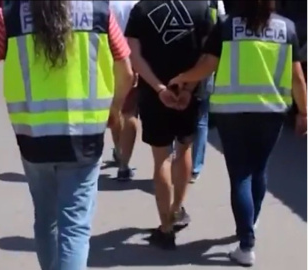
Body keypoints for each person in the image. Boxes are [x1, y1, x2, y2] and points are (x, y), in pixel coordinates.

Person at [0, 1, 133, 269]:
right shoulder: (98, 11)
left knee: (46, 219)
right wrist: (114, 109)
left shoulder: (10, 15)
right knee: (75, 227)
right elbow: (126, 71)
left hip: (34, 138)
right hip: (85, 138)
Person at [169, 0, 307, 266]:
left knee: (240, 175)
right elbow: (297, 77)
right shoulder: (287, 28)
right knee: (259, 170)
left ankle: (246, 243)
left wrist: (183, 78)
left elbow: (207, 64)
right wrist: (304, 112)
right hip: (271, 112)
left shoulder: (227, 25)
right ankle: (249, 224)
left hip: (232, 113)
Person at [125, 0, 214, 249]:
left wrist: (159, 88)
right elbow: (208, 55)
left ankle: (165, 228)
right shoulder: (201, 7)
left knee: (161, 159)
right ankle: (176, 210)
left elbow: (134, 54)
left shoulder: (142, 9)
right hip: (189, 94)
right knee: (184, 149)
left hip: (154, 96)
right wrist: (188, 87)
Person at [190, 0, 226, 183]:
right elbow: (223, 26)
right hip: (207, 60)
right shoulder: (215, 2)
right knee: (201, 119)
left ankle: (176, 160)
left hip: (183, 58)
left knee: (177, 112)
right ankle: (194, 167)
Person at [109, 0, 139, 181]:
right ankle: (124, 164)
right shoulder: (136, 3)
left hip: (108, 58)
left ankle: (119, 151)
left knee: (116, 107)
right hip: (132, 57)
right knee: (130, 112)